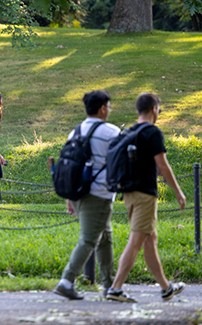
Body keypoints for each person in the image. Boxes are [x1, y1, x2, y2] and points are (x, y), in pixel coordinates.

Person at [106, 93, 187, 303]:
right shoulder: (152, 132)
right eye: (158, 110)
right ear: (154, 109)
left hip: (130, 193)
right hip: (145, 194)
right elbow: (162, 165)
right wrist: (178, 192)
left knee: (150, 240)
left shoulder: (131, 131)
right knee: (136, 241)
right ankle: (115, 288)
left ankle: (166, 287)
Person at [52, 90, 120, 300]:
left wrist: (69, 198)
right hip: (98, 195)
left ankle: (109, 285)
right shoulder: (112, 132)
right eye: (108, 106)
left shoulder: (76, 131)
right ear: (102, 108)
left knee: (105, 238)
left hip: (79, 194)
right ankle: (66, 280)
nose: (109, 110)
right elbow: (122, 164)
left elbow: (69, 167)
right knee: (89, 240)